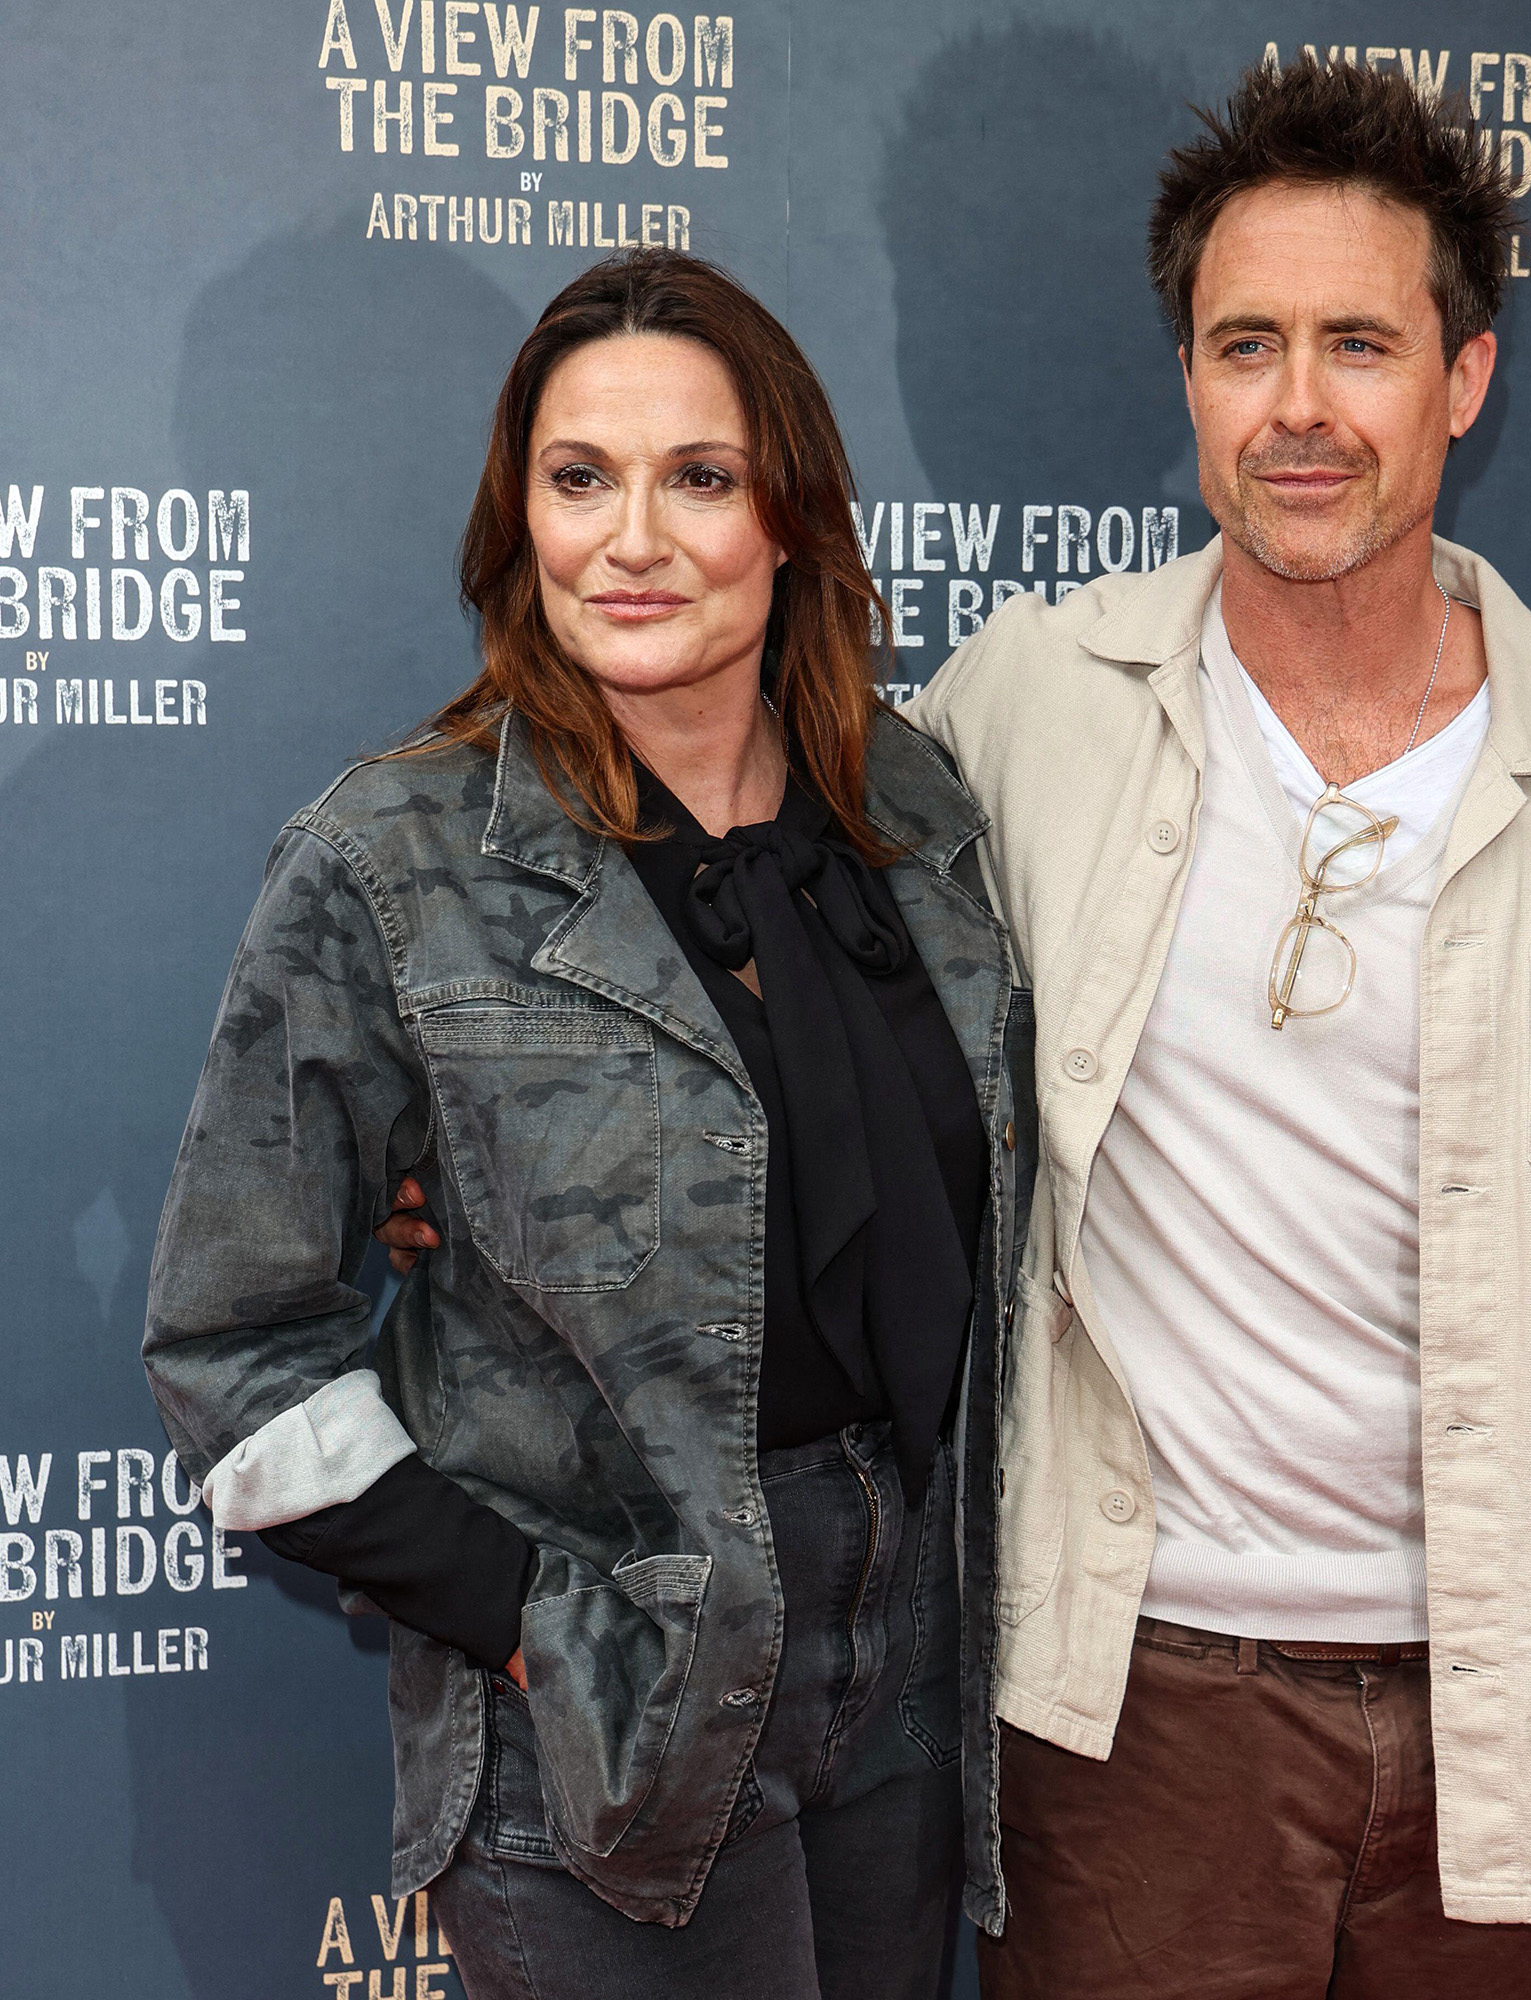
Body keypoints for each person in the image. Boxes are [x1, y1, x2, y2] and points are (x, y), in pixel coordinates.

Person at [905, 58, 1531, 2000]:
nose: (1298, 406)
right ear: (1189, 382)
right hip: (1128, 1722)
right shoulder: (1026, 704)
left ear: (1460, 377)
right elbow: (784, 977)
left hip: (1516, 1729)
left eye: (1357, 345)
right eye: (1245, 345)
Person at [142, 249, 1032, 2000]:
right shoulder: (392, 864)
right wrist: (538, 1626)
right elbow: (229, 1349)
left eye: (699, 478)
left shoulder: (914, 817)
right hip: (620, 1696)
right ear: (516, 518)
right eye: (579, 479)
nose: (632, 538)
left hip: (911, 1664)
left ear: (790, 515)